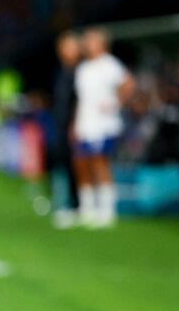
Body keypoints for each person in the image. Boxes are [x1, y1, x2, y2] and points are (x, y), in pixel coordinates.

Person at [73, 28, 134, 228]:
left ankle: (107, 210)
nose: (87, 44)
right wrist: (75, 123)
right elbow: (81, 100)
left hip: (103, 124)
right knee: (82, 163)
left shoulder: (110, 64)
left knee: (100, 162)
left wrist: (116, 102)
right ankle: (87, 208)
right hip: (85, 123)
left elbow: (128, 83)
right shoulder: (83, 68)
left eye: (91, 40)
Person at [50, 31, 81, 228]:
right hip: (60, 125)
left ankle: (76, 204)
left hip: (75, 126)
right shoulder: (61, 72)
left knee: (75, 166)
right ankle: (63, 202)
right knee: (62, 163)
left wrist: (75, 123)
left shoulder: (81, 73)